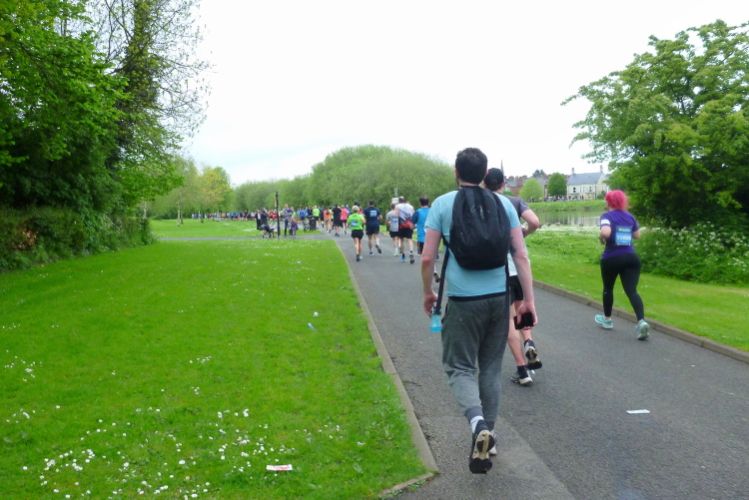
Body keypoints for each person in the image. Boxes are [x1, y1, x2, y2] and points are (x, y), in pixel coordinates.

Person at [421, 148, 537, 474]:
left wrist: (428, 292)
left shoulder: (442, 204)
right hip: (499, 298)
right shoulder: (504, 204)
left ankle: (477, 425)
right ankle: (490, 436)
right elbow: (520, 255)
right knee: (490, 368)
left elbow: (428, 257)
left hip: (462, 302)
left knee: (459, 366)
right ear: (485, 174)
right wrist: (528, 300)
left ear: (456, 172)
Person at [483, 168, 542, 387]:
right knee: (521, 310)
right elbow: (534, 222)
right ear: (503, 184)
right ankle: (529, 342)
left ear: (485, 184)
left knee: (508, 320)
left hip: (499, 270)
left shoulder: (482, 204)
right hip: (519, 268)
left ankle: (522, 370)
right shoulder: (515, 202)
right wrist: (524, 233)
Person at [595, 190, 650, 340]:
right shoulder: (629, 216)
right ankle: (641, 321)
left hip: (611, 258)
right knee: (632, 290)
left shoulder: (606, 216)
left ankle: (607, 319)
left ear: (608, 202)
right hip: (631, 258)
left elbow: (605, 232)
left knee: (608, 288)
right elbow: (637, 235)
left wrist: (601, 239)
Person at [395, 196, 415, 264]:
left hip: (402, 225)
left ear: (399, 201)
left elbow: (396, 215)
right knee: (410, 239)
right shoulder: (410, 206)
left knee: (402, 240)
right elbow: (413, 215)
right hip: (409, 225)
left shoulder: (398, 206)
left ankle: (403, 255)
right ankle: (411, 251)